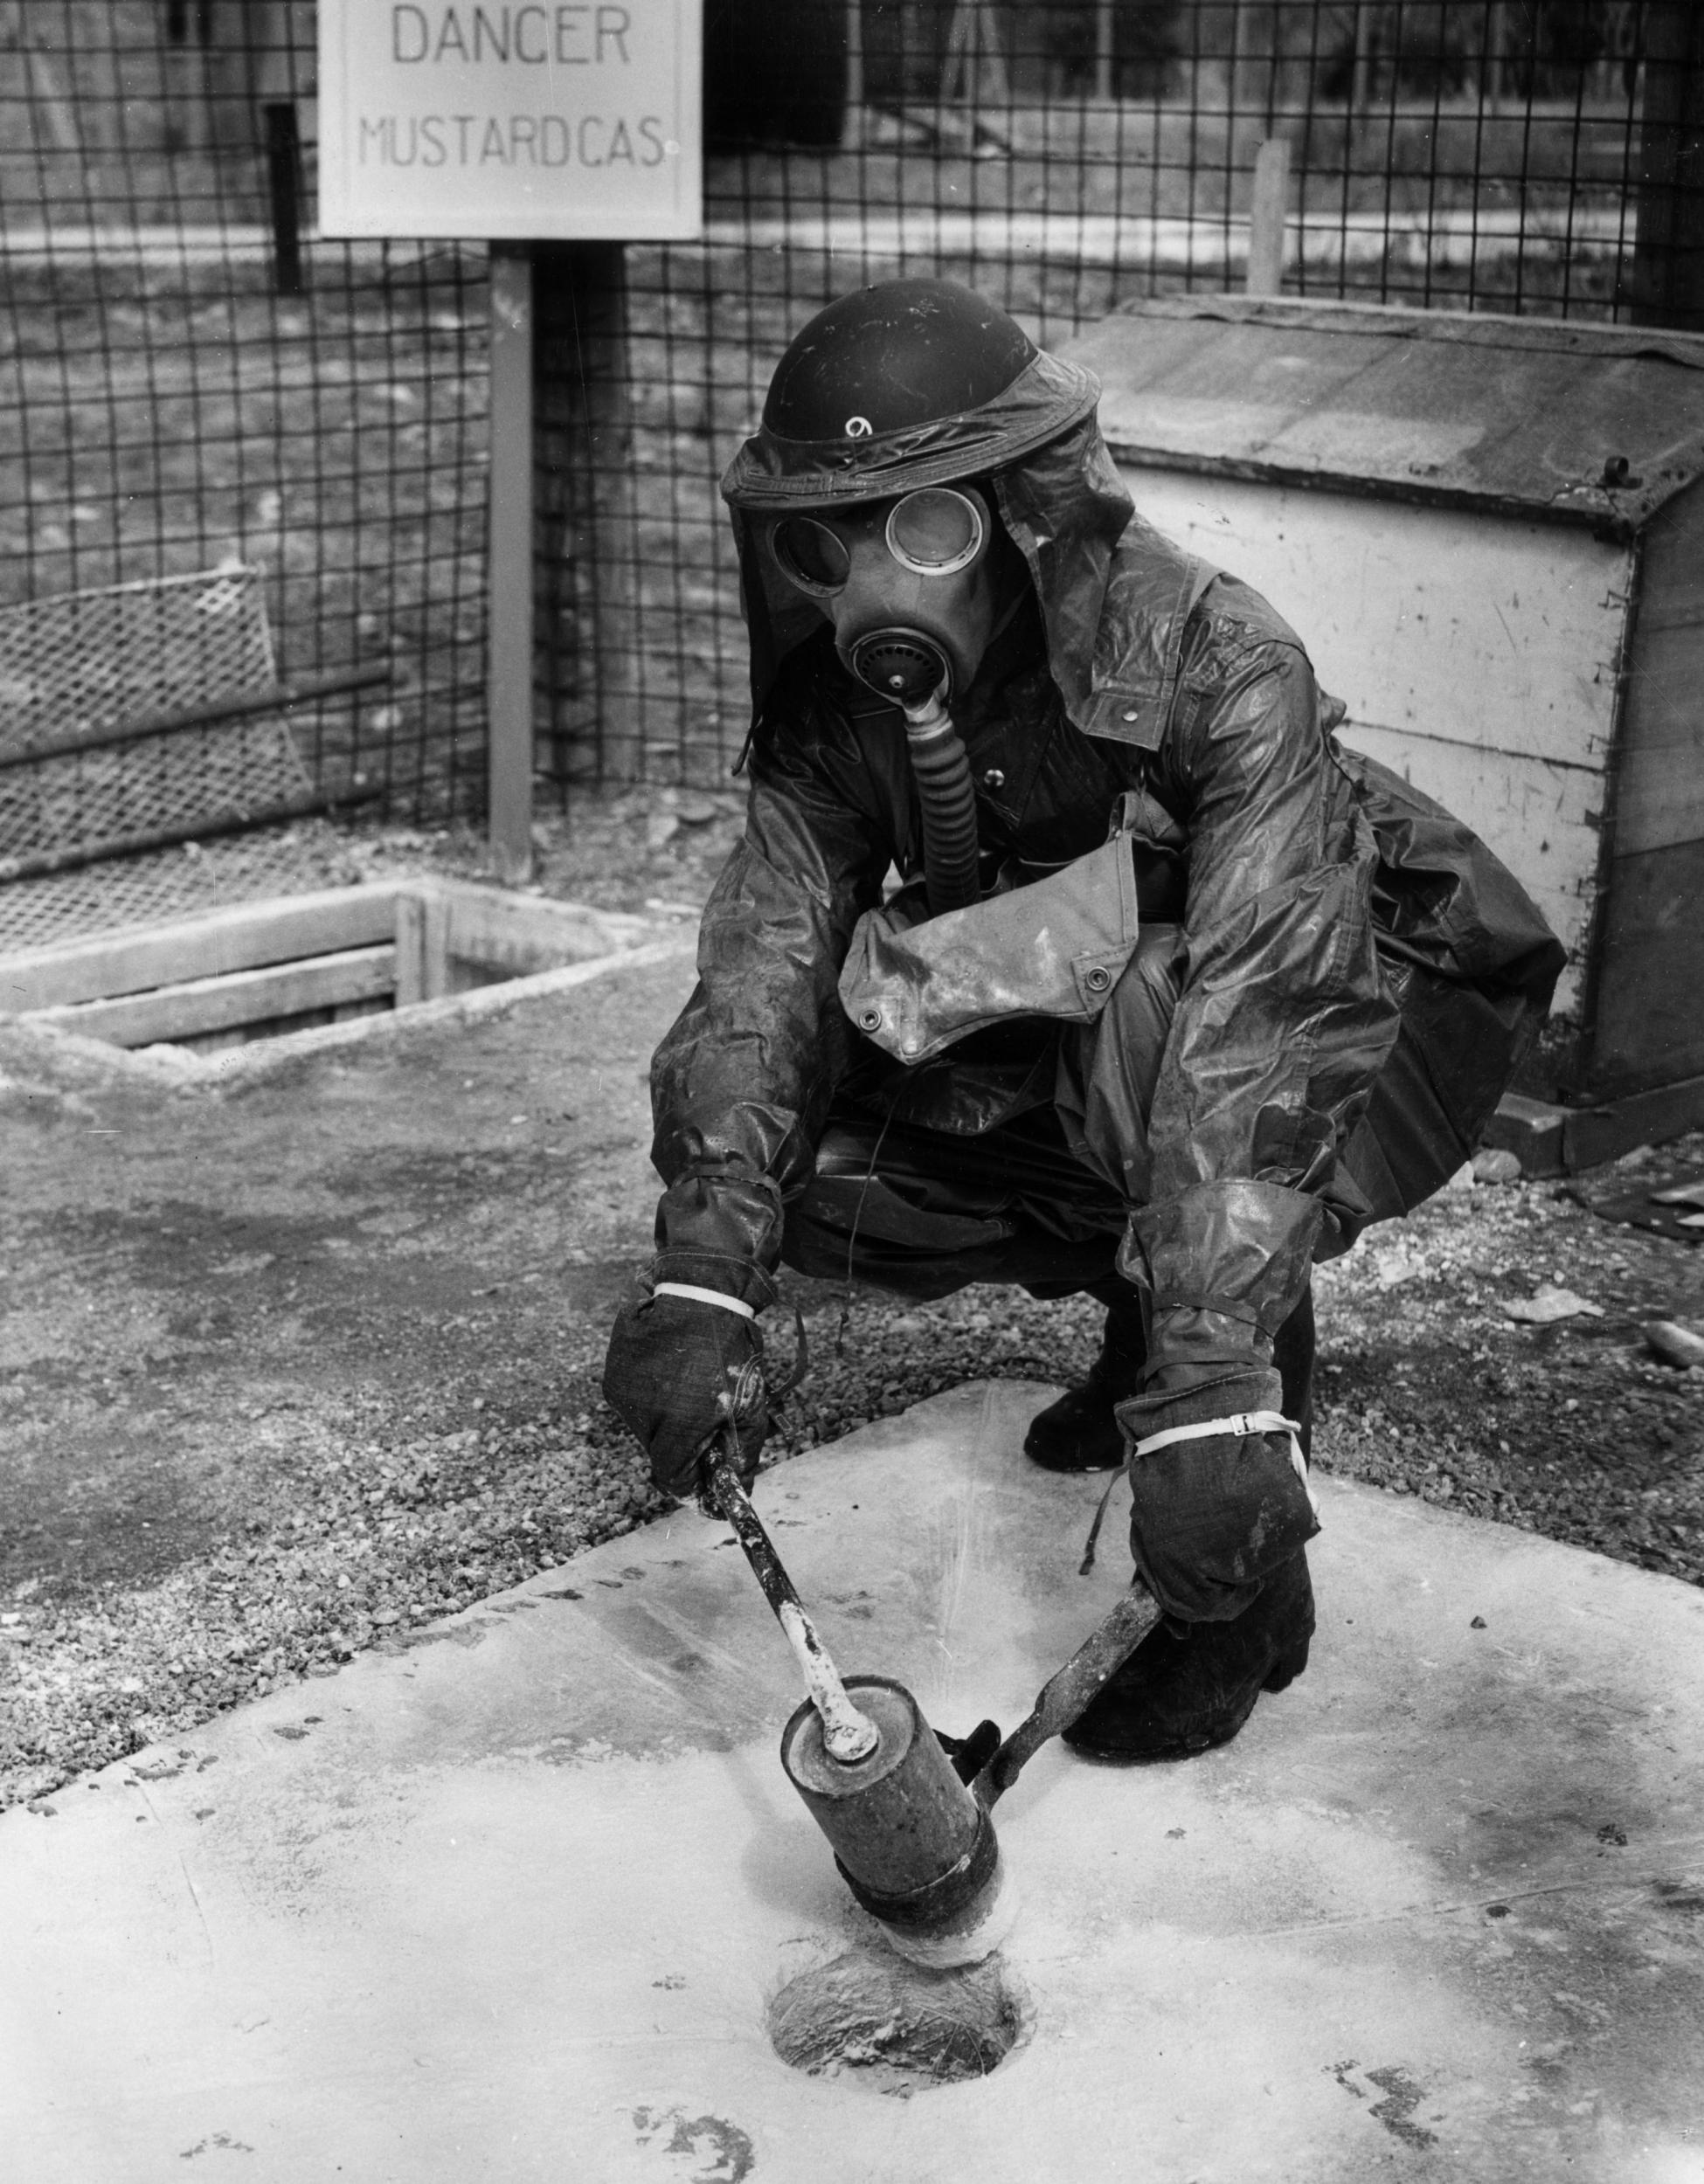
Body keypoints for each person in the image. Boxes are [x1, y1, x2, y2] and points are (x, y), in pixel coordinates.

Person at [603, 278, 1564, 1761]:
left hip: (1358, 993)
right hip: (1093, 967)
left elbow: (1264, 1020)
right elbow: (760, 975)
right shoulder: (832, 714)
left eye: (922, 529)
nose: (874, 586)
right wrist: (706, 1276)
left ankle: (1233, 1597)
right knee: (837, 1071)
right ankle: (1138, 1327)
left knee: (1163, 1031)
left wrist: (1218, 1411)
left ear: (1025, 512)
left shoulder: (1219, 659)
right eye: (825, 540)